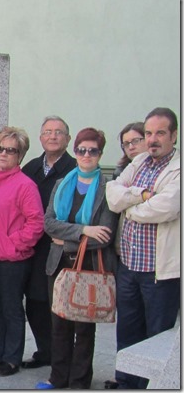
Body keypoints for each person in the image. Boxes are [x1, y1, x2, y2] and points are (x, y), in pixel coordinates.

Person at [38, 127, 118, 389]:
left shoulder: (108, 188)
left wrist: (67, 237)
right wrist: (83, 229)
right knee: (59, 323)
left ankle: (80, 381)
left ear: (100, 153)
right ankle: (58, 377)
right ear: (75, 151)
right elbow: (49, 224)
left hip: (90, 266)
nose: (86, 155)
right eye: (81, 150)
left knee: (84, 327)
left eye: (92, 150)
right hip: (60, 264)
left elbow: (104, 235)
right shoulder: (63, 185)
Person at [105, 107, 180, 389]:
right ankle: (126, 381)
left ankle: (151, 385)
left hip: (159, 272)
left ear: (173, 135)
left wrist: (132, 206)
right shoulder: (139, 164)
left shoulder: (177, 168)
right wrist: (142, 195)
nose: (152, 139)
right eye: (148, 133)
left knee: (156, 334)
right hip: (129, 267)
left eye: (160, 133)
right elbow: (113, 195)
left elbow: (167, 207)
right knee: (128, 329)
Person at [0, 127, 44, 378]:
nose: (3, 154)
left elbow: (36, 222)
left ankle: (12, 358)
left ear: (20, 154)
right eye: (0, 148)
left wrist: (15, 243)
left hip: (13, 260)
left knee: (12, 309)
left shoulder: (25, 185)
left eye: (10, 150)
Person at [19, 116, 76, 369]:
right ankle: (45, 351)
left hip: (61, 246)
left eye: (58, 132)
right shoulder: (30, 168)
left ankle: (62, 355)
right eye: (47, 132)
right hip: (33, 244)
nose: (52, 136)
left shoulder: (74, 169)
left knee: (59, 304)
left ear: (68, 138)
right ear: (40, 138)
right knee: (35, 301)